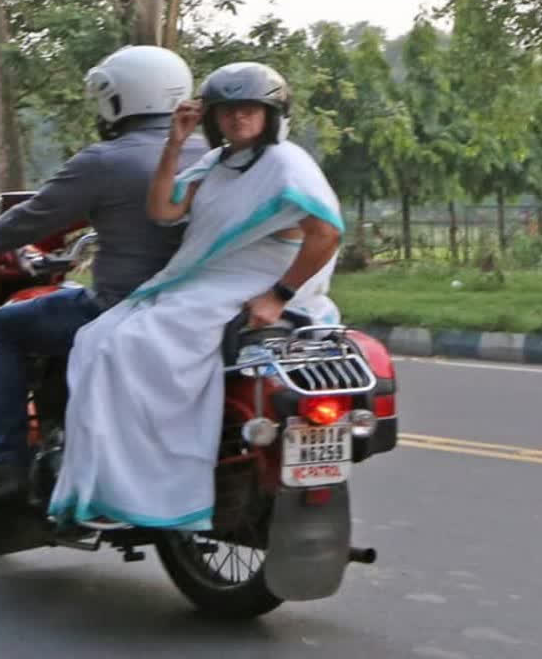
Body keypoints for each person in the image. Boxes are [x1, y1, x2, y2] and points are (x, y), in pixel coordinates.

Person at [48, 62, 344, 530]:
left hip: (254, 284)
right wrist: (175, 144)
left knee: (126, 345)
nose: (237, 119)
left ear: (273, 114)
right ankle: (108, 476)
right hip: (207, 281)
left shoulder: (285, 164)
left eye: (250, 109)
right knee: (93, 339)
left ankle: (151, 485)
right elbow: (163, 210)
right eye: (227, 111)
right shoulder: (217, 162)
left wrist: (277, 297)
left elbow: (325, 235)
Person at [0, 45, 208, 506]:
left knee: (6, 327)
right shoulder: (213, 151)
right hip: (200, 309)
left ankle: (7, 466)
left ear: (119, 99)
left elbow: (34, 217)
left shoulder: (104, 161)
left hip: (124, 308)